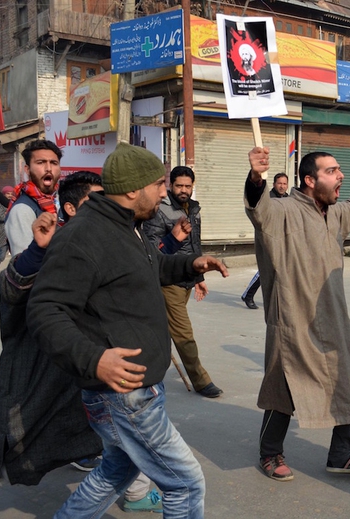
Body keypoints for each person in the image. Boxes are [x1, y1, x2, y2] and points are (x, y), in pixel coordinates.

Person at [26, 143, 228, 518]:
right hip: (124, 394)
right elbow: (44, 311)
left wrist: (190, 264)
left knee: (116, 469)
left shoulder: (126, 225)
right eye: (159, 184)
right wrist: (94, 359)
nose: (165, 191)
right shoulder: (84, 237)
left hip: (137, 388)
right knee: (184, 483)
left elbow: (144, 269)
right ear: (133, 190)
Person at [0, 171, 165, 518]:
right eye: (94, 200)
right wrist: (37, 251)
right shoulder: (63, 244)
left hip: (102, 362)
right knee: (34, 441)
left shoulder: (113, 237)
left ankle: (138, 489)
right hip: (61, 365)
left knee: (123, 437)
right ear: (71, 207)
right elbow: (12, 290)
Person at [245, 146, 350, 482]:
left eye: (339, 169)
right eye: (332, 171)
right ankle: (270, 453)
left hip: (333, 318)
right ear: (309, 180)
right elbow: (260, 210)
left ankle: (341, 453)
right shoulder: (284, 210)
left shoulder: (334, 213)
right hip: (293, 319)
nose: (340, 175)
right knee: (284, 389)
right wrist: (257, 178)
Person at [143, 166, 223, 399]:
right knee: (183, 333)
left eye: (188, 186)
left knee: (163, 330)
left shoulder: (194, 209)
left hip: (187, 277)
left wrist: (198, 278)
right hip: (169, 279)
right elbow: (152, 248)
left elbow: (195, 247)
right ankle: (201, 380)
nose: (184, 190)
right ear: (171, 185)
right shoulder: (160, 210)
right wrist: (172, 239)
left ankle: (148, 371)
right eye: (179, 186)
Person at [241, 172, 289, 309]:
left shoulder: (288, 199)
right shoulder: (267, 198)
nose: (282, 186)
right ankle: (248, 294)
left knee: (281, 269)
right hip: (268, 237)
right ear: (274, 184)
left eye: (284, 183)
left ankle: (279, 300)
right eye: (279, 183)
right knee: (266, 267)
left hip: (283, 238)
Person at [5, 139, 62, 254]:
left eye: (53, 163)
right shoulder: (22, 210)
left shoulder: (58, 200)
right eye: (41, 162)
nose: (48, 168)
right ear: (27, 169)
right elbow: (24, 265)